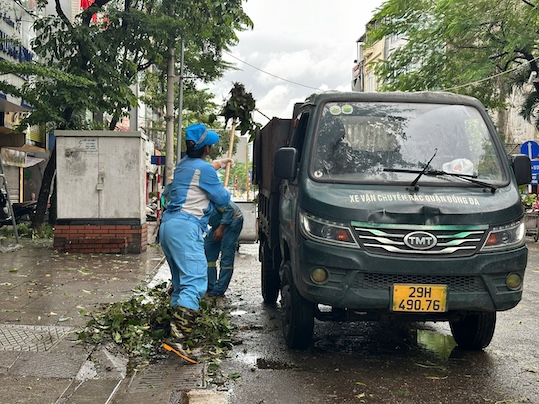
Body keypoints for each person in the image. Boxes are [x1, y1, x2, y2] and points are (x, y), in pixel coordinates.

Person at [159, 123, 230, 359]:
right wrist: (221, 183)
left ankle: (173, 334)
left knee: (181, 283)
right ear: (206, 148)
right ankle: (178, 339)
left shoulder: (183, 165)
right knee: (197, 282)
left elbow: (202, 170)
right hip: (186, 228)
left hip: (168, 226)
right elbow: (222, 197)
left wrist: (220, 165)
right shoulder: (205, 171)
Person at [205, 200, 244, 297]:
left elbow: (229, 210)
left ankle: (220, 289)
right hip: (218, 223)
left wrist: (221, 229)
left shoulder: (209, 198)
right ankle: (210, 285)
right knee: (207, 251)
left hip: (233, 222)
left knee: (226, 255)